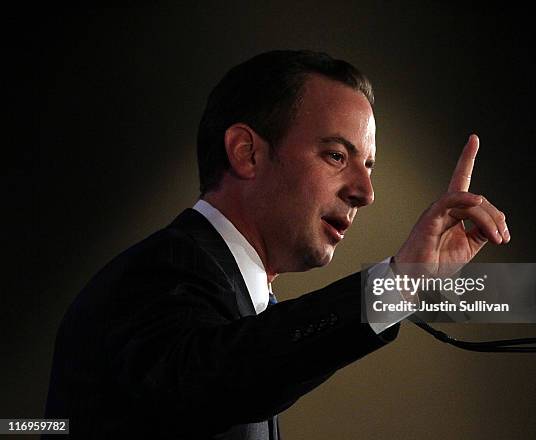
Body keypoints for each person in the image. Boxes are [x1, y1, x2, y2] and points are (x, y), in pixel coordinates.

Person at [44, 50, 510, 439]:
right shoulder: (161, 271)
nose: (365, 193)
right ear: (247, 152)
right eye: (336, 155)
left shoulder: (232, 294)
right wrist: (396, 286)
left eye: (368, 166)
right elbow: (218, 376)